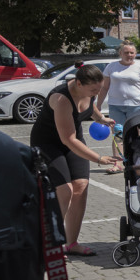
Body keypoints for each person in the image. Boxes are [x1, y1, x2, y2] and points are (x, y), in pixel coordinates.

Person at [28, 64, 119, 256]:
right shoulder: (61, 99)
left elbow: (90, 105)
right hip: (47, 143)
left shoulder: (90, 90)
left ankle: (71, 243)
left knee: (81, 186)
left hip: (73, 138)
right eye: (93, 89)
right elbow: (67, 139)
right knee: (65, 190)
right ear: (78, 83)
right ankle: (49, 242)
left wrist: (102, 119)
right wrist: (98, 158)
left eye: (99, 88)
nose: (97, 92)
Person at [96, 42, 140, 173]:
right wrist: (98, 105)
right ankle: (117, 164)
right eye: (126, 52)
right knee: (118, 135)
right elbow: (104, 87)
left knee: (134, 135)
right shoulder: (111, 67)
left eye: (132, 53)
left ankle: (136, 162)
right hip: (115, 106)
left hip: (135, 106)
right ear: (120, 53)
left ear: (135, 54)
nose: (129, 55)